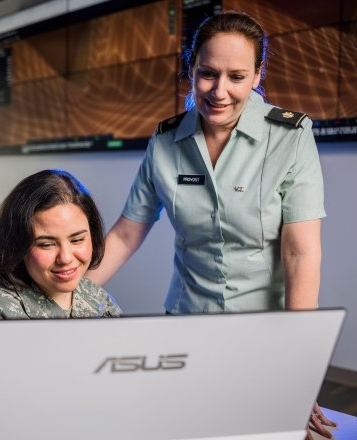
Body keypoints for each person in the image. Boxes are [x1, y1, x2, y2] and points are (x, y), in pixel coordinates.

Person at [85, 11, 333, 439]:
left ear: (258, 75)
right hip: (186, 327)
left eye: (237, 76)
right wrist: (60, 302)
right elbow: (126, 235)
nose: (220, 91)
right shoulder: (164, 143)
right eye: (207, 74)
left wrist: (299, 365)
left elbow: (300, 252)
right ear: (190, 72)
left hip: (265, 333)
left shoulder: (291, 137)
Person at [0, 169, 120, 320]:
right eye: (46, 244)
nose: (66, 258)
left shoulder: (97, 298)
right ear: (18, 245)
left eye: (77, 240)